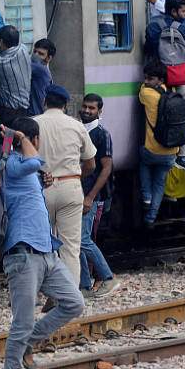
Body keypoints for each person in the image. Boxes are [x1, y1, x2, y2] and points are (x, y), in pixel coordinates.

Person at [0, 117, 85, 369]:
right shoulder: (13, 163)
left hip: (46, 251)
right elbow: (35, 162)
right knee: (22, 322)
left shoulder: (24, 170)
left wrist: (43, 184)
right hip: (23, 255)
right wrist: (21, 137)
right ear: (33, 140)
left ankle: (27, 345)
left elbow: (28, 192)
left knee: (73, 302)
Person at [33, 84, 96, 287]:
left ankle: (47, 290)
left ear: (44, 102)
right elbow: (91, 163)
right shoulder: (77, 126)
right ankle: (69, 297)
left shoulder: (32, 124)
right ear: (66, 105)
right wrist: (75, 177)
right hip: (70, 187)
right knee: (70, 247)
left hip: (40, 188)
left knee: (43, 245)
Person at [144, 0, 185, 173]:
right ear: (173, 11)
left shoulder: (153, 26)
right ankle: (182, 156)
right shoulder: (183, 27)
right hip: (180, 77)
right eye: (183, 11)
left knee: (156, 113)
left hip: (159, 78)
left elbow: (149, 49)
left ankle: (157, 150)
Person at [76, 93, 119, 297]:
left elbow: (105, 168)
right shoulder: (78, 129)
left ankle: (108, 277)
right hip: (76, 192)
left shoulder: (102, 135)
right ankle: (84, 285)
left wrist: (91, 197)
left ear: (99, 112)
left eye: (92, 108)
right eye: (85, 106)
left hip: (89, 195)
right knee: (76, 240)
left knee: (83, 239)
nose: (87, 110)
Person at [137, 62, 179, 229]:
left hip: (151, 150)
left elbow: (141, 90)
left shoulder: (146, 93)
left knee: (144, 164)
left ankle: (146, 199)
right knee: (160, 184)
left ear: (160, 79)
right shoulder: (172, 92)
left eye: (150, 78)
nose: (146, 81)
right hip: (170, 151)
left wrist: (146, 84)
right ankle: (151, 218)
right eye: (145, 78)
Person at [0, 25, 30, 128]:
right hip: (24, 112)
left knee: (7, 142)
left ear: (1, 42)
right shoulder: (23, 50)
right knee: (19, 140)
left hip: (8, 115)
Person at [28, 38, 55, 116]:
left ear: (49, 58)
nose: (35, 55)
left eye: (40, 54)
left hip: (34, 115)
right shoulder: (46, 72)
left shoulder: (41, 69)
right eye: (35, 51)